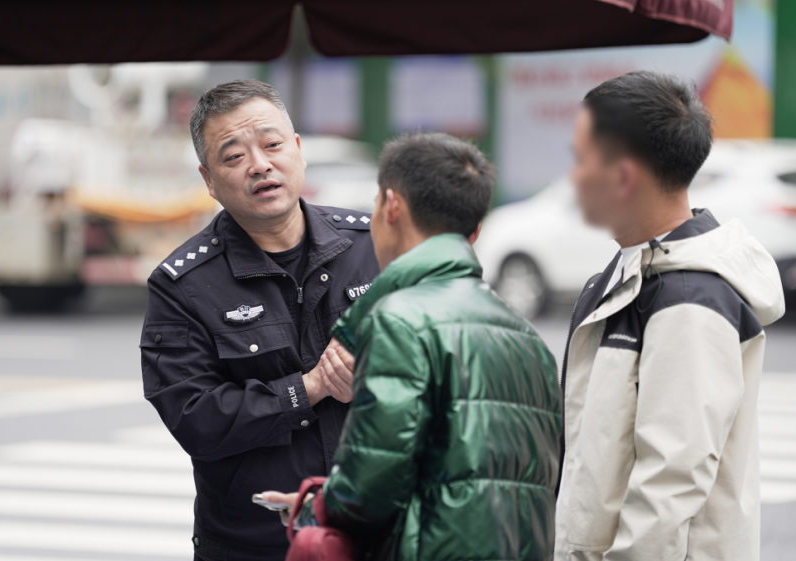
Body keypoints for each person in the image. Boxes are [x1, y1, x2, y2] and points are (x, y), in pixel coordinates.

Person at [263, 132, 562, 560]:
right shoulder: (528, 339)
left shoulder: (399, 320)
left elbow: (369, 489)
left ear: (392, 205)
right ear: (474, 231)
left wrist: (315, 508)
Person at [139, 80, 380, 561]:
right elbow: (195, 419)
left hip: (377, 532)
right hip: (256, 544)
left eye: (272, 145)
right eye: (234, 156)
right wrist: (308, 388)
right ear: (209, 180)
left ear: (298, 150)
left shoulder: (372, 246)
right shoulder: (181, 285)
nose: (259, 164)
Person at [554, 71, 786, 561]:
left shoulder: (688, 299)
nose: (572, 178)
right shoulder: (633, 270)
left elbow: (669, 486)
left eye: (580, 159)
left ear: (623, 176)